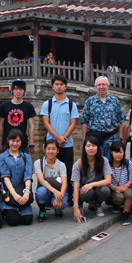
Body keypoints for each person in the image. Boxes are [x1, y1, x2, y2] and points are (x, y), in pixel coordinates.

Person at [40, 74, 78, 203]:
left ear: (65, 86)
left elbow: (73, 123)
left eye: (61, 84)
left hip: (67, 145)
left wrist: (64, 138)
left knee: (67, 171)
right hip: (51, 145)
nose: (59, 86)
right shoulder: (47, 104)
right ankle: (49, 197)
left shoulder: (71, 105)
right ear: (52, 87)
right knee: (50, 172)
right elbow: (46, 123)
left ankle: (67, 197)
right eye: (56, 84)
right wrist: (57, 139)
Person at [81, 76, 125, 159]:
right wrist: (85, 140)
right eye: (99, 85)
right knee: (96, 166)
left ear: (108, 86)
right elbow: (84, 122)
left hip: (112, 140)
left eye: (103, 84)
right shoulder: (90, 102)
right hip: (95, 141)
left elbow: (120, 121)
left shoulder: (115, 101)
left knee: (112, 165)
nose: (101, 87)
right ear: (96, 87)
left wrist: (120, 138)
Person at [71, 136, 112, 223]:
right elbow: (76, 187)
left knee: (106, 190)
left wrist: (91, 184)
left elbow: (108, 180)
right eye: (88, 146)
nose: (91, 148)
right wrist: (75, 207)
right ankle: (80, 205)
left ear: (97, 147)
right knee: (88, 192)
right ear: (84, 148)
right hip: (83, 189)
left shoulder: (103, 161)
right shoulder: (78, 164)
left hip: (97, 187)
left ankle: (98, 204)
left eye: (93, 146)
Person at [0, 129, 33, 226]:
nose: (15, 144)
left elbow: (28, 175)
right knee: (13, 221)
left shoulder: (26, 157)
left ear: (21, 142)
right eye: (12, 141)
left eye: (18, 141)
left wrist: (27, 192)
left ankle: (22, 207)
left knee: (27, 220)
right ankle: (7, 209)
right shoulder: (2, 157)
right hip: (9, 192)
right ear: (8, 141)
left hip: (22, 190)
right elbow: (5, 177)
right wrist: (14, 194)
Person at [0, 79, 36, 154]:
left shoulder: (28, 106)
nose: (18, 91)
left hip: (23, 143)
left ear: (24, 91)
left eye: (21, 89)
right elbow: (0, 125)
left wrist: (31, 144)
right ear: (12, 90)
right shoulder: (4, 106)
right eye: (16, 89)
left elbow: (31, 126)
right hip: (7, 143)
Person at [34, 139, 68, 222]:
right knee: (41, 192)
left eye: (53, 149)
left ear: (57, 151)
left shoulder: (62, 165)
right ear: (45, 150)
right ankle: (42, 210)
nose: (51, 151)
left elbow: (64, 183)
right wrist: (54, 191)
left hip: (58, 190)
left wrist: (60, 196)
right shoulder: (38, 163)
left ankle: (58, 208)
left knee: (62, 204)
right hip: (46, 190)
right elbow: (41, 181)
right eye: (48, 149)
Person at [108, 140, 132, 226]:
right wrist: (114, 188)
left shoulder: (127, 163)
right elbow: (106, 180)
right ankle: (116, 204)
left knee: (129, 194)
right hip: (113, 189)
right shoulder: (108, 164)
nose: (118, 154)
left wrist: (126, 186)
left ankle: (125, 214)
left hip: (126, 186)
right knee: (119, 197)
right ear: (111, 152)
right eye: (116, 152)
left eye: (120, 152)